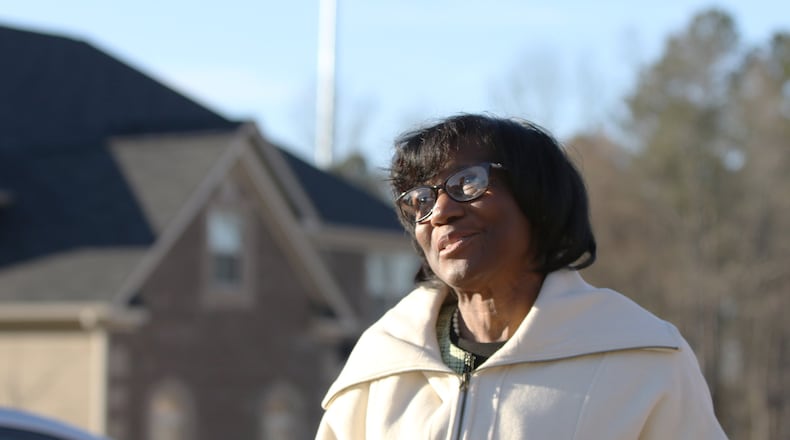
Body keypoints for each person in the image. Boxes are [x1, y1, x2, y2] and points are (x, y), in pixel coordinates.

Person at [316, 114, 726, 439]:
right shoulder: (377, 370)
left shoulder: (642, 357)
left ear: (537, 197)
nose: (440, 212)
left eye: (468, 183)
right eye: (420, 199)